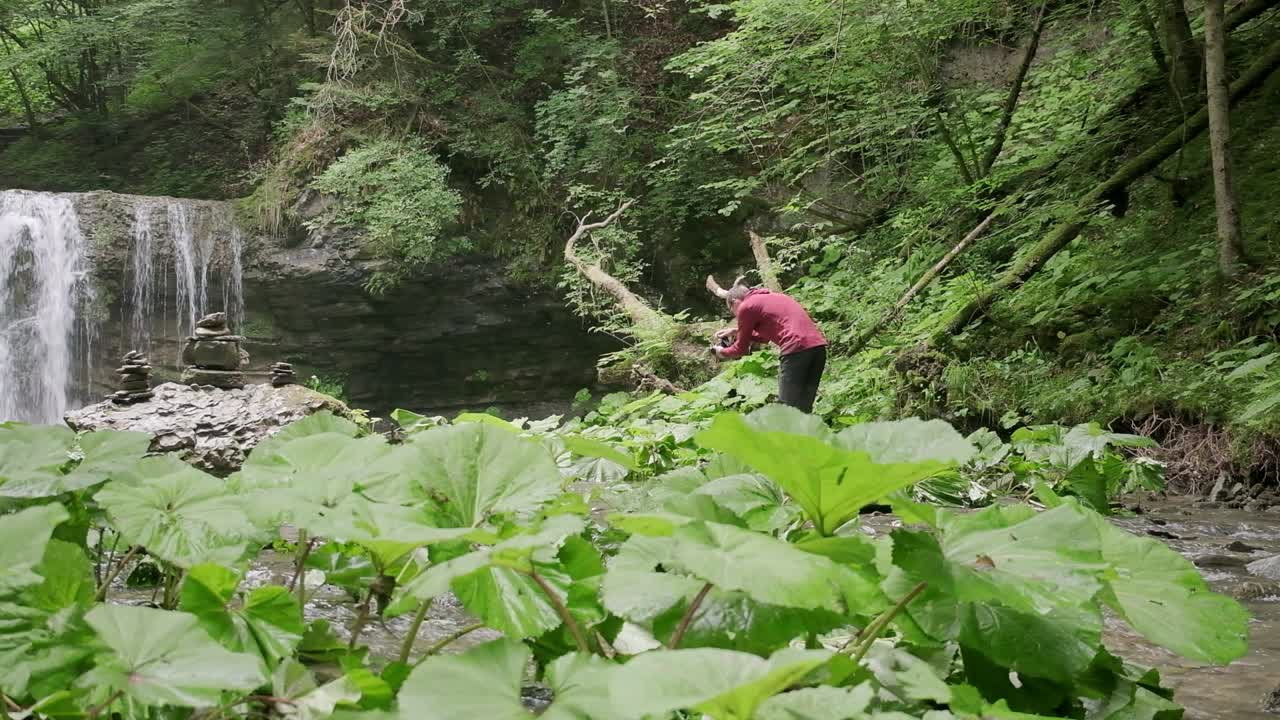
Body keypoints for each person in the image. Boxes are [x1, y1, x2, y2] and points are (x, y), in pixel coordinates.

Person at [709, 280, 828, 413]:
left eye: (733, 312)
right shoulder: (774, 297)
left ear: (735, 302)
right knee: (804, 406)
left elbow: (740, 349)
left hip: (796, 350)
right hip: (818, 349)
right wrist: (737, 331)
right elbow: (764, 337)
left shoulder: (746, 307)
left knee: (786, 408)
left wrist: (721, 352)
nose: (736, 316)